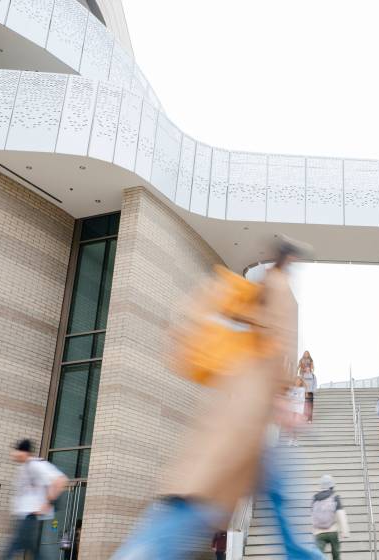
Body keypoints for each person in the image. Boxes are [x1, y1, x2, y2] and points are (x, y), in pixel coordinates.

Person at [113, 238, 322, 560]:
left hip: (248, 428)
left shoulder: (253, 301)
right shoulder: (278, 292)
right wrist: (287, 399)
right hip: (241, 428)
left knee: (277, 490)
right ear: (290, 259)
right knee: (186, 512)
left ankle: (303, 554)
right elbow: (279, 344)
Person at [3, 439, 67, 560]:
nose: (13, 454)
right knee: (29, 548)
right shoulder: (23, 468)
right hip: (23, 516)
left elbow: (61, 480)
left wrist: (48, 502)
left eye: (16, 451)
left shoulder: (37, 465)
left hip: (30, 515)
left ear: (24, 452)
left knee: (12, 548)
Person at [311, 475, 350, 559]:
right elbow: (341, 515)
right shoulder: (335, 497)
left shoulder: (315, 498)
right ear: (332, 486)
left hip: (319, 533)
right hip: (332, 531)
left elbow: (313, 515)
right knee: (336, 553)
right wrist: (344, 531)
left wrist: (313, 531)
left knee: (318, 555)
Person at [286, 376, 307, 445]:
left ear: (301, 382)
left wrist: (294, 398)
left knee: (296, 425)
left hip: (298, 409)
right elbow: (288, 396)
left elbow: (301, 399)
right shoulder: (291, 388)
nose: (297, 382)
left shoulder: (302, 389)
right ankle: (291, 439)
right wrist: (294, 398)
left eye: (299, 380)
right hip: (291, 408)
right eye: (296, 380)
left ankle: (295, 439)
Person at [298, 351, 316, 422]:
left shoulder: (313, 376)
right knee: (304, 405)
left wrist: (313, 390)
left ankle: (310, 418)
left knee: (310, 405)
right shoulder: (302, 375)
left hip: (310, 391)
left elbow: (315, 384)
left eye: (307, 353)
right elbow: (299, 366)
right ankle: (305, 417)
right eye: (305, 353)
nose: (306, 354)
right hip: (304, 391)